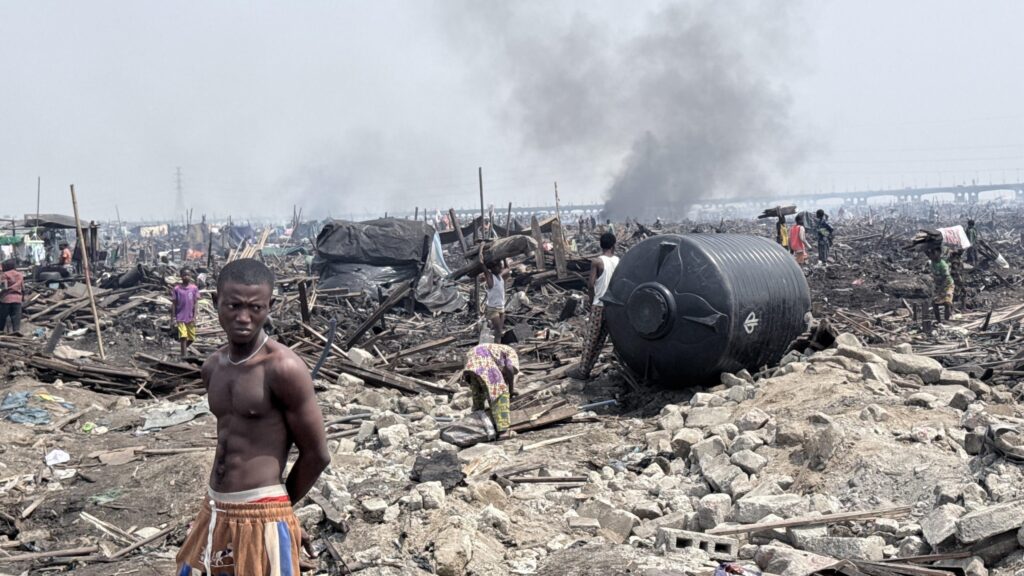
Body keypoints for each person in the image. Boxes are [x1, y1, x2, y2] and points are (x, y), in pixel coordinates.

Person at [176, 259, 329, 576]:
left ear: (270, 306)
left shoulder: (282, 368)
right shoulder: (213, 367)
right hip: (216, 506)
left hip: (263, 511)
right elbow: (227, 442)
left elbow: (317, 454)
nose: (244, 318)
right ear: (216, 302)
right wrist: (212, 507)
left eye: (255, 308)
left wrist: (281, 510)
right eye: (233, 306)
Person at [440, 343, 519, 447]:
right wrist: (511, 390)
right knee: (500, 393)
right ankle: (503, 431)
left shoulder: (498, 350)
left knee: (479, 394)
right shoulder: (511, 352)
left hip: (471, 359)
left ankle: (479, 422)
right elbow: (509, 368)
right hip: (483, 359)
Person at [572, 231, 619, 380]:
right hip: (613, 306)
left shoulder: (597, 262)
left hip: (599, 304)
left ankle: (583, 372)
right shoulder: (619, 261)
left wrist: (591, 301)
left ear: (601, 245)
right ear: (613, 245)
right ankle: (589, 369)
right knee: (602, 340)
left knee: (591, 339)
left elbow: (591, 284)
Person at [480, 249, 509, 343]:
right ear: (492, 268)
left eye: (500, 266)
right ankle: (496, 348)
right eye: (498, 267)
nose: (500, 268)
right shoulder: (490, 277)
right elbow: (482, 264)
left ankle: (497, 348)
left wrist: (504, 258)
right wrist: (481, 248)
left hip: (501, 308)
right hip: (493, 309)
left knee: (498, 333)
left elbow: (508, 268)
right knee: (499, 331)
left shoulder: (500, 277)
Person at [171, 269, 201, 357]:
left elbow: (195, 303)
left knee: (191, 338)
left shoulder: (194, 288)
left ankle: (183, 350)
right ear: (181, 276)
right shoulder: (176, 289)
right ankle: (184, 356)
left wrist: (195, 316)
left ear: (191, 276)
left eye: (188, 275)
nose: (186, 277)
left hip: (190, 317)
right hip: (180, 316)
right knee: (183, 337)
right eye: (184, 275)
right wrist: (172, 318)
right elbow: (174, 304)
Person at [927, 244, 954, 323]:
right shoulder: (932, 263)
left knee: (947, 303)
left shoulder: (943, 264)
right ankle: (939, 322)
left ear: (938, 253)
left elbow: (945, 278)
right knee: (934, 304)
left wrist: (941, 290)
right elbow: (934, 276)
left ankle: (946, 321)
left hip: (947, 285)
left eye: (932, 253)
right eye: (930, 254)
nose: (930, 256)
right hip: (938, 285)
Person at [0, 260, 25, 335]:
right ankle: (16, 333)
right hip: (17, 299)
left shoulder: (4, 275)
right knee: (16, 319)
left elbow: (2, 287)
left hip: (6, 299)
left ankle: (1, 333)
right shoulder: (20, 274)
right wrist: (23, 298)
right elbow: (23, 288)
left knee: (2, 318)